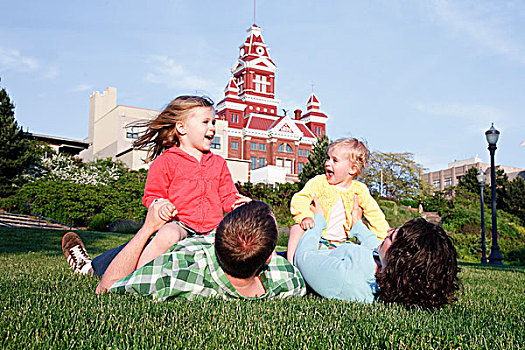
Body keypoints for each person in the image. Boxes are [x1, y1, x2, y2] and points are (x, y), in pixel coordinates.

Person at [62, 199, 305, 299]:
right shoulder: (288, 280)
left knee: (145, 244)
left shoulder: (179, 269)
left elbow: (106, 288)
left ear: (217, 235)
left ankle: (87, 265)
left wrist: (147, 228)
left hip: (179, 247)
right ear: (271, 256)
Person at [293, 195, 460, 309]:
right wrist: (357, 223)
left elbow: (304, 258)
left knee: (295, 230)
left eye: (391, 236)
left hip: (310, 253)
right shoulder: (389, 275)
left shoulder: (346, 277)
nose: (387, 233)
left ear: (397, 258)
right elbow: (374, 245)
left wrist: (318, 220)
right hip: (339, 248)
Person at [287, 138, 389, 263]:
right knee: (296, 229)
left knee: (362, 253)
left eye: (335, 160)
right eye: (328, 158)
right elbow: (300, 198)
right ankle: (292, 265)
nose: (327, 163)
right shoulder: (319, 182)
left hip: (342, 243)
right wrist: (305, 217)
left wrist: (384, 236)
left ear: (352, 169)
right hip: (316, 236)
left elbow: (374, 214)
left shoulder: (359, 190)